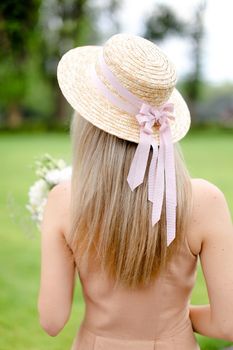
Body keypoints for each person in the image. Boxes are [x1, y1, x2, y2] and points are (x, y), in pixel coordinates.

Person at [37, 33, 233, 350]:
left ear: (88, 121)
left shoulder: (64, 200)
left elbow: (51, 320)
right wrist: (174, 324)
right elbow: (228, 324)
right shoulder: (205, 201)